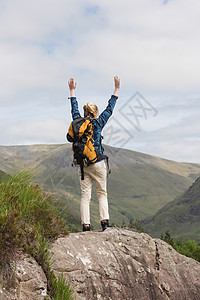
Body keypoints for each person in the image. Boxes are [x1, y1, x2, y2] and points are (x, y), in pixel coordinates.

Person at [68, 76, 120, 231]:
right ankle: (105, 223)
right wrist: (116, 90)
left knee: (85, 196)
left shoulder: (78, 122)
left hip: (83, 166)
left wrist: (72, 91)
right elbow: (110, 109)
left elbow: (74, 109)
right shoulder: (98, 123)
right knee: (102, 194)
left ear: (85, 113)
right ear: (96, 112)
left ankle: (86, 226)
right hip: (97, 163)